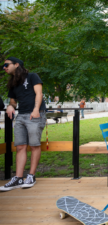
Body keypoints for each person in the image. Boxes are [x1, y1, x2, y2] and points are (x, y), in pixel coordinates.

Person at [0, 57, 46, 191]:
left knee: (34, 145)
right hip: (21, 116)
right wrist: (10, 106)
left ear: (16, 64)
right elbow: (13, 102)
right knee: (20, 146)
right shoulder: (13, 82)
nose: (4, 68)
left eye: (6, 65)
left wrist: (36, 109)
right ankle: (18, 178)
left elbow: (39, 93)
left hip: (35, 114)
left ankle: (31, 176)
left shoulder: (32, 76)